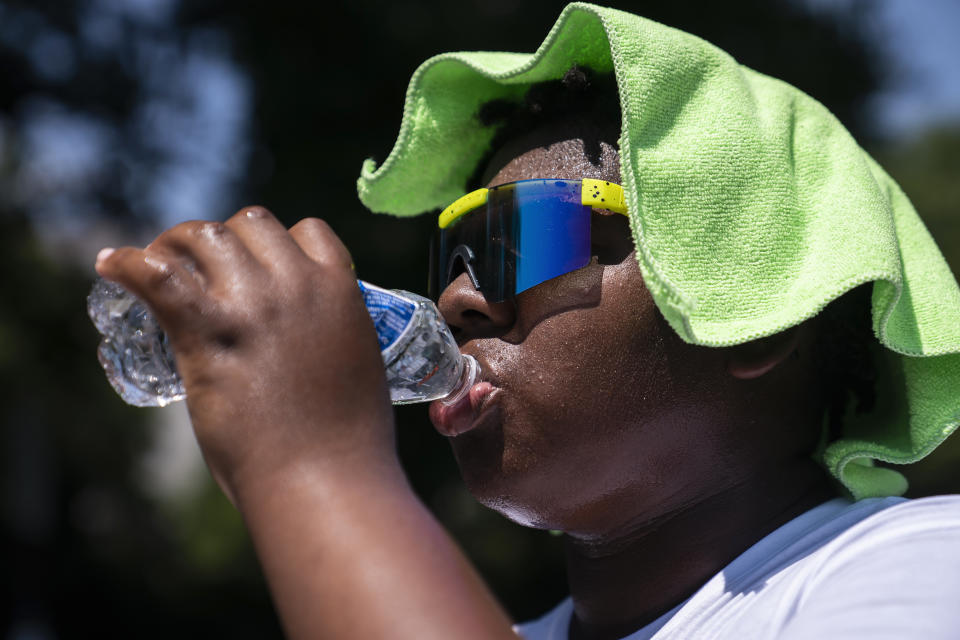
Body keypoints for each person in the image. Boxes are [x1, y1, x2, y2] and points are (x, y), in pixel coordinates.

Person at [95, 4, 960, 639]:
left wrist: (312, 468)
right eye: (457, 256)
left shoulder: (917, 568)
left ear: (754, 315)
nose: (459, 301)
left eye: (527, 235)